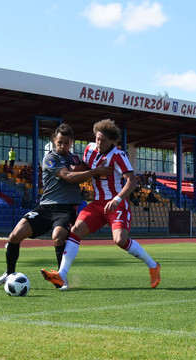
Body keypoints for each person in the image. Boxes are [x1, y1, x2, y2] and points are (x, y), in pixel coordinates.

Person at [41, 119, 161, 290]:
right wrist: (76, 170)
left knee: (120, 240)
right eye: (97, 138)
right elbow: (85, 165)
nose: (98, 143)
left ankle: (153, 265)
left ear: (113, 141)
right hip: (97, 204)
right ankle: (62, 275)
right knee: (75, 231)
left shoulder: (119, 156)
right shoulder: (90, 149)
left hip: (116, 204)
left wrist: (117, 199)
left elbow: (132, 181)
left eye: (103, 140)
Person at [0, 123, 113, 287]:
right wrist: (95, 171)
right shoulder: (50, 158)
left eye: (66, 143)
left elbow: (85, 172)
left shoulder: (76, 159)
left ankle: (61, 277)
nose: (62, 146)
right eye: (59, 142)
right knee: (14, 235)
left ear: (71, 142)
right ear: (55, 141)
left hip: (66, 209)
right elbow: (69, 176)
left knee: (58, 237)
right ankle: (9, 273)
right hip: (45, 207)